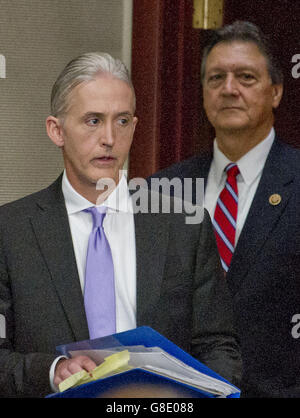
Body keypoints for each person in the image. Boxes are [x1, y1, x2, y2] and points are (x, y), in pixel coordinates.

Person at [0, 52, 241, 397]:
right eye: (93, 121)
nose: (110, 138)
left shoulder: (185, 225)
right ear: (57, 130)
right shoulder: (10, 232)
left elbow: (218, 346)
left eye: (122, 121)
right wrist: (52, 371)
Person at [150, 21, 300, 397]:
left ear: (276, 91)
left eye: (246, 77)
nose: (229, 89)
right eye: (216, 78)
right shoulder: (159, 192)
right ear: (203, 92)